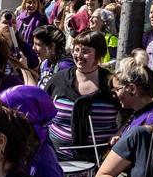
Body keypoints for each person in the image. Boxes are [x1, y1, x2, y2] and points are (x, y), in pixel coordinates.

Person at [45, 30, 117, 163]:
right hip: (58, 157)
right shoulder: (58, 80)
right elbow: (42, 112)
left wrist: (119, 134)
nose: (78, 55)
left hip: (101, 158)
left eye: (85, 51)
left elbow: (130, 114)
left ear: (99, 54)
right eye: (76, 50)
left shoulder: (111, 82)